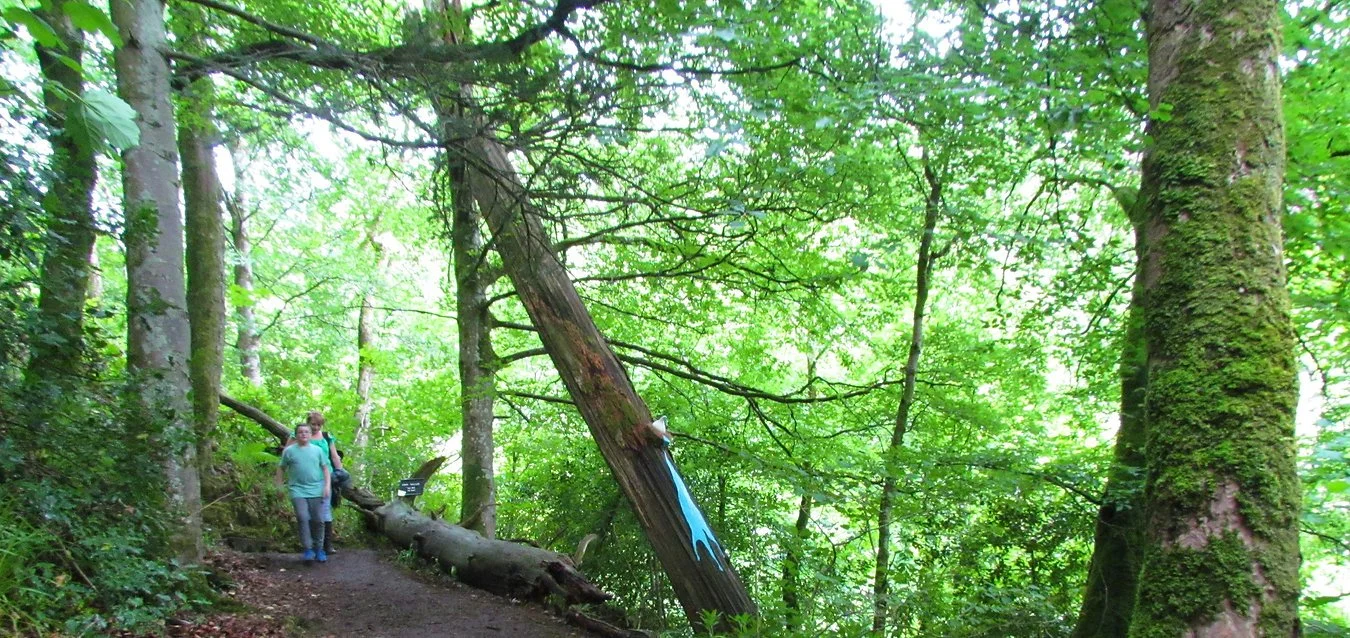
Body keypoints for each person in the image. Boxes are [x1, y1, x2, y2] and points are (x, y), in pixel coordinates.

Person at [275, 423, 330, 564]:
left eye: (306, 432)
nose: (303, 434)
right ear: (296, 435)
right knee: (302, 516)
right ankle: (308, 549)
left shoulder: (317, 450)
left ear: (310, 435)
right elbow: (281, 468)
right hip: (297, 489)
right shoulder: (289, 451)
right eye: (300, 432)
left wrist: (327, 486)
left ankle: (319, 549)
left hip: (316, 488)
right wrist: (279, 486)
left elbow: (325, 469)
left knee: (318, 519)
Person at [296, 411, 346, 555]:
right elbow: (290, 451)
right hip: (306, 478)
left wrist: (340, 472)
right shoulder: (301, 435)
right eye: (313, 424)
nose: (316, 427)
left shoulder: (326, 437)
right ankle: (310, 544)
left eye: (319, 425)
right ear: (308, 423)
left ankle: (327, 544)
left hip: (325, 477)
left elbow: (334, 456)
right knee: (309, 511)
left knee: (324, 510)